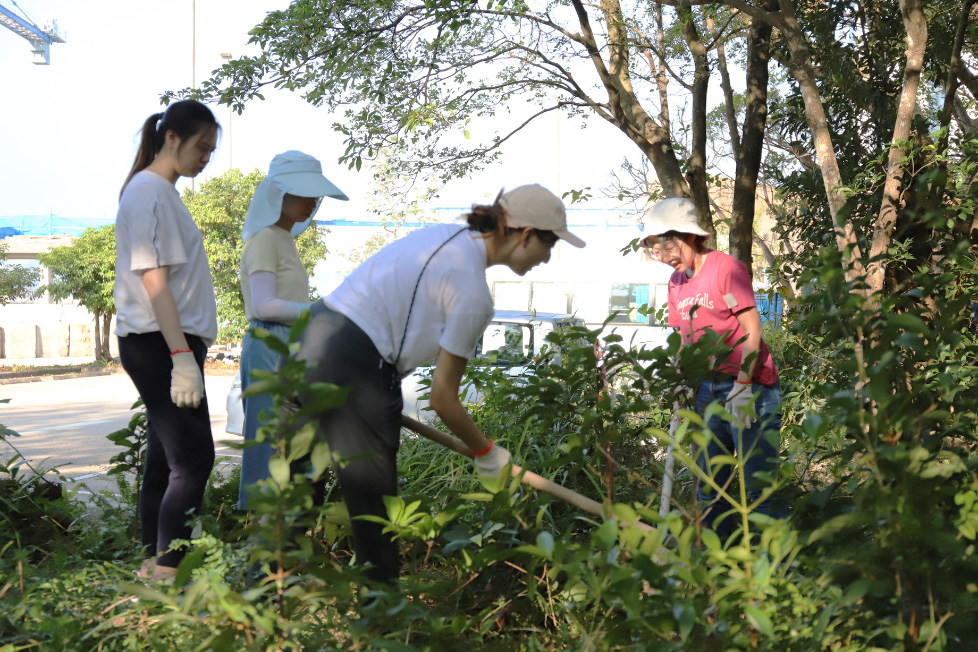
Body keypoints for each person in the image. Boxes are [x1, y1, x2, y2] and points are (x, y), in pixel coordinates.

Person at [293, 184, 585, 585]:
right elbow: (443, 398)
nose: (547, 258)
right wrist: (486, 452)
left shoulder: (441, 236)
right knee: (374, 516)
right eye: (549, 245)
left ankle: (260, 602)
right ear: (526, 234)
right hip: (356, 367)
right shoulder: (472, 294)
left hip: (308, 340)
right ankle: (380, 630)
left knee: (291, 493)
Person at [114, 100, 220, 581]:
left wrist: (185, 351)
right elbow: (152, 279)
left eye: (212, 151)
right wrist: (181, 357)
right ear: (172, 137)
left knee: (167, 459)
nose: (205, 158)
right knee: (195, 459)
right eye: (201, 146)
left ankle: (151, 565)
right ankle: (168, 572)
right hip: (161, 343)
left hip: (170, 343)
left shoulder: (162, 192)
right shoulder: (149, 192)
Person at [639, 197, 782, 539]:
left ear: (689, 237)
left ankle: (774, 570)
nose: (664, 255)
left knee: (757, 484)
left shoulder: (725, 268)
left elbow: (752, 329)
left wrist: (744, 385)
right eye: (656, 248)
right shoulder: (677, 283)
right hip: (707, 389)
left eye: (667, 244)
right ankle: (720, 564)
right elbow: (684, 338)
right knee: (709, 485)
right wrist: (682, 381)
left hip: (751, 387)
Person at [237, 151, 348, 510]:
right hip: (270, 346)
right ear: (277, 194)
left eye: (316, 196)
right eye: (303, 194)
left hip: (289, 347)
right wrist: (320, 310)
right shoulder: (267, 237)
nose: (312, 203)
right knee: (272, 452)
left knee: (298, 451)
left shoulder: (284, 238)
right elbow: (264, 305)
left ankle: (287, 551)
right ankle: (262, 557)